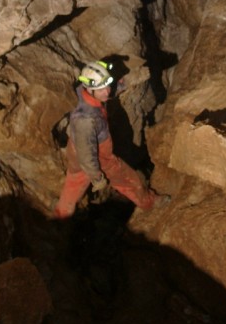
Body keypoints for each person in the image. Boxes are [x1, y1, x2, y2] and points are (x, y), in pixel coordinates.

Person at [53, 60, 169, 218]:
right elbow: (87, 156)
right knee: (129, 179)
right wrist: (97, 177)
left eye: (107, 86)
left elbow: (105, 90)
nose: (106, 92)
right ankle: (149, 202)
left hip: (76, 149)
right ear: (90, 88)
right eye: (101, 89)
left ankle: (60, 217)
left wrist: (121, 85)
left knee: (72, 187)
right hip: (97, 156)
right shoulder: (85, 120)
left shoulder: (87, 93)